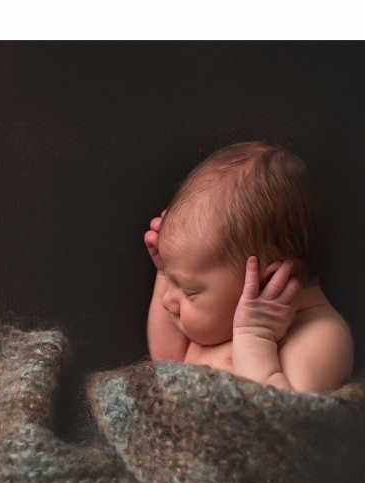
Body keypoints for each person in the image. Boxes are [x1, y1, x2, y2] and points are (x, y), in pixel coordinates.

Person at [144, 142, 353, 393]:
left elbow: (286, 412)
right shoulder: (218, 326)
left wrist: (254, 339)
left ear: (269, 283)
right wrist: (164, 274)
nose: (168, 301)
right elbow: (164, 364)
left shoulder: (321, 336)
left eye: (189, 291)